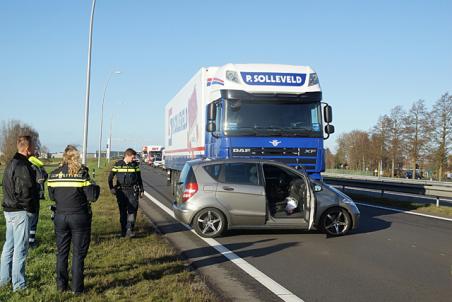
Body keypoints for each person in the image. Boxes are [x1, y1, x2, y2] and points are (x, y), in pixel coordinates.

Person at [47, 145, 92, 294]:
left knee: (62, 252)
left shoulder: (53, 174)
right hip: (79, 217)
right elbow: (92, 196)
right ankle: (77, 289)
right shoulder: (82, 173)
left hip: (60, 217)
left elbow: (52, 196)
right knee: (78, 254)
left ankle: (61, 286)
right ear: (76, 157)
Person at [0, 135, 39, 291]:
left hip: (9, 210)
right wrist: (30, 210)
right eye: (34, 147)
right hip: (19, 211)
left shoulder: (11, 163)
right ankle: (19, 285)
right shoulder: (22, 166)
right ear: (28, 148)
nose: (35, 149)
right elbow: (25, 192)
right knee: (20, 249)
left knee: (8, 246)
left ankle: (3, 280)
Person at [108, 148, 143, 237]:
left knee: (132, 211)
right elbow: (110, 178)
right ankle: (123, 230)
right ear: (127, 156)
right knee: (123, 212)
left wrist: (141, 190)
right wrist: (111, 188)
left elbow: (139, 178)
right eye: (132, 157)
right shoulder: (118, 165)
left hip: (132, 191)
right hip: (121, 192)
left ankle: (129, 229)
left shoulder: (135, 165)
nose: (133, 159)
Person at [28, 154, 48, 248]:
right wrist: (42, 168)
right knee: (33, 220)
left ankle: (25, 240)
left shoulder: (24, 165)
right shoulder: (36, 167)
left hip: (24, 197)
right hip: (35, 196)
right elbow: (43, 178)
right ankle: (31, 241)